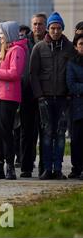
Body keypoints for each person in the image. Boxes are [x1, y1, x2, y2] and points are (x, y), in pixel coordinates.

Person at [30, 12, 74, 180]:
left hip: (64, 98)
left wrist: (69, 94)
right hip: (45, 98)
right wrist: (39, 96)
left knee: (61, 134)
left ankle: (58, 169)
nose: (55, 31)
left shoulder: (69, 47)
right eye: (53, 28)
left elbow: (73, 72)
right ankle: (47, 168)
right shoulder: (39, 47)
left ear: (62, 29)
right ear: (48, 29)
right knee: (47, 134)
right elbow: (33, 74)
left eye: (59, 28)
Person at [0, 21, 27, 180]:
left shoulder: (17, 50)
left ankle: (10, 166)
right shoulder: (4, 49)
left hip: (8, 97)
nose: (0, 36)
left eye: (1, 33)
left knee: (5, 131)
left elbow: (15, 73)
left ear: (9, 33)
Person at [19, 13, 48, 178]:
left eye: (41, 24)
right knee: (27, 132)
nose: (37, 27)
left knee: (45, 132)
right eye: (35, 24)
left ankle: (45, 167)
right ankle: (26, 167)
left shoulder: (50, 42)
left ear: (45, 26)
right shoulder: (23, 43)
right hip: (27, 93)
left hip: (46, 93)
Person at [66, 33, 83, 179]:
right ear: (76, 46)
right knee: (76, 139)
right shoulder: (72, 63)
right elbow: (71, 85)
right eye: (81, 44)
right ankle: (76, 167)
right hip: (77, 106)